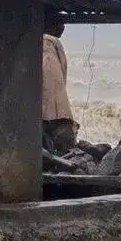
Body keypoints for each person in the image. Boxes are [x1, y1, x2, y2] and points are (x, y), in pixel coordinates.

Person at [42, 13, 78, 152]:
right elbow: (51, 78)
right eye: (59, 25)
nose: (62, 28)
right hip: (56, 113)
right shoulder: (48, 42)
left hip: (49, 113)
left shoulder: (48, 42)